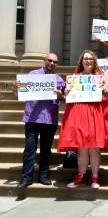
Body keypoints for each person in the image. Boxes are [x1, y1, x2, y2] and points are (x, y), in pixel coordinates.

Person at [58, 50, 108, 189]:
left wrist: (105, 87)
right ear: (81, 61)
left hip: (96, 113)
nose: (88, 61)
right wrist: (66, 92)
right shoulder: (75, 77)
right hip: (80, 114)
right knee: (82, 148)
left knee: (94, 148)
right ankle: (80, 176)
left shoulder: (100, 75)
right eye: (85, 59)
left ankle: (95, 177)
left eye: (90, 59)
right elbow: (68, 96)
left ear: (94, 61)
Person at [16, 53, 66, 188]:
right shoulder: (32, 74)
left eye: (55, 62)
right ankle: (26, 178)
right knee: (29, 149)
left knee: (46, 149)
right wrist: (19, 88)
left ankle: (43, 176)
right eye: (49, 60)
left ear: (57, 64)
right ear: (44, 61)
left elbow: (65, 97)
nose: (52, 63)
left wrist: (61, 94)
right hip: (32, 117)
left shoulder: (59, 79)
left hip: (49, 119)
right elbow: (20, 92)